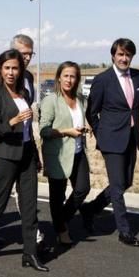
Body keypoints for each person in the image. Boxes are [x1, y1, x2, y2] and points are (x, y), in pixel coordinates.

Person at [0, 49, 48, 272]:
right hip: (6, 156)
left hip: (26, 154)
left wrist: (36, 156)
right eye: (7, 68)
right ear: (0, 69)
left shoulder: (23, 94)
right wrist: (13, 120)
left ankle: (30, 254)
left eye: (15, 68)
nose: (11, 72)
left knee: (29, 205)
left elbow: (29, 131)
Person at [83, 38, 139, 246]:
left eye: (128, 55)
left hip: (131, 137)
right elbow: (91, 112)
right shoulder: (103, 80)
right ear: (113, 56)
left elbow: (133, 108)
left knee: (126, 182)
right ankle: (124, 231)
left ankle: (90, 209)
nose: (124, 58)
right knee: (117, 187)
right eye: (120, 54)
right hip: (111, 139)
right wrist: (101, 135)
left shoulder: (138, 77)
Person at [39, 61, 91, 246]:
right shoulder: (50, 100)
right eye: (66, 75)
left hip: (78, 152)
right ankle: (61, 230)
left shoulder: (80, 100)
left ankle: (60, 220)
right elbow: (43, 130)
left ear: (77, 79)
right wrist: (66, 131)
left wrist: (83, 129)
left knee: (83, 189)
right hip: (58, 155)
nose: (69, 80)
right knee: (57, 195)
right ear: (59, 77)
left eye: (73, 76)